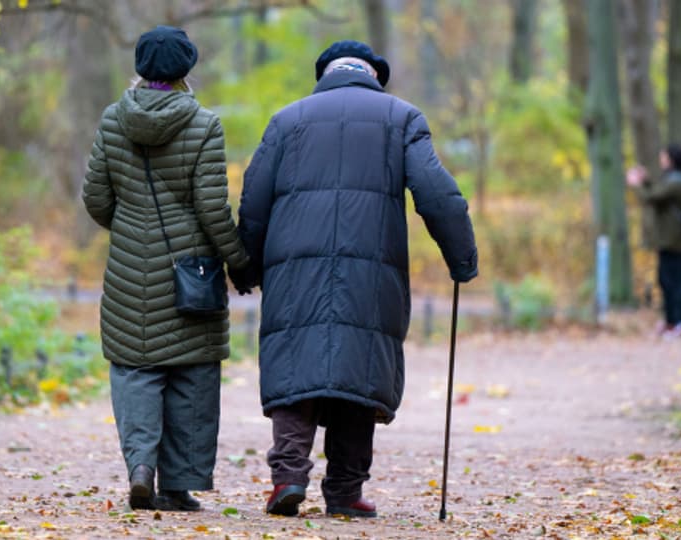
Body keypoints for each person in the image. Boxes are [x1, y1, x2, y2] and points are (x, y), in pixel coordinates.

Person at [231, 40, 478, 518]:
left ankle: (287, 476)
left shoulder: (287, 120)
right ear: (374, 76)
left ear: (323, 74)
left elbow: (254, 199)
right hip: (372, 268)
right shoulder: (402, 117)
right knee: (358, 366)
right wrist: (461, 257)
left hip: (294, 269)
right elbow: (439, 195)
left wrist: (245, 265)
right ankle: (344, 491)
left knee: (295, 364)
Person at [82, 25, 249, 512]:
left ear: (140, 69)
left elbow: (95, 198)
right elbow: (213, 209)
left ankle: (140, 469)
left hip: (129, 273)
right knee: (192, 374)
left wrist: (132, 231)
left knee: (136, 369)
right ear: (186, 71)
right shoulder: (203, 125)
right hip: (190, 274)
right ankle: (177, 487)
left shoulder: (114, 120)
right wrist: (238, 262)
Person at [626, 144, 681, 337]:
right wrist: (646, 181)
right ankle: (673, 322)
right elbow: (657, 193)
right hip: (670, 241)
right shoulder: (676, 181)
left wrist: (637, 184)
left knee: (677, 283)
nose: (661, 161)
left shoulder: (679, 183)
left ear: (672, 159)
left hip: (675, 242)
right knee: (666, 281)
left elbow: (652, 197)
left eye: (663, 157)